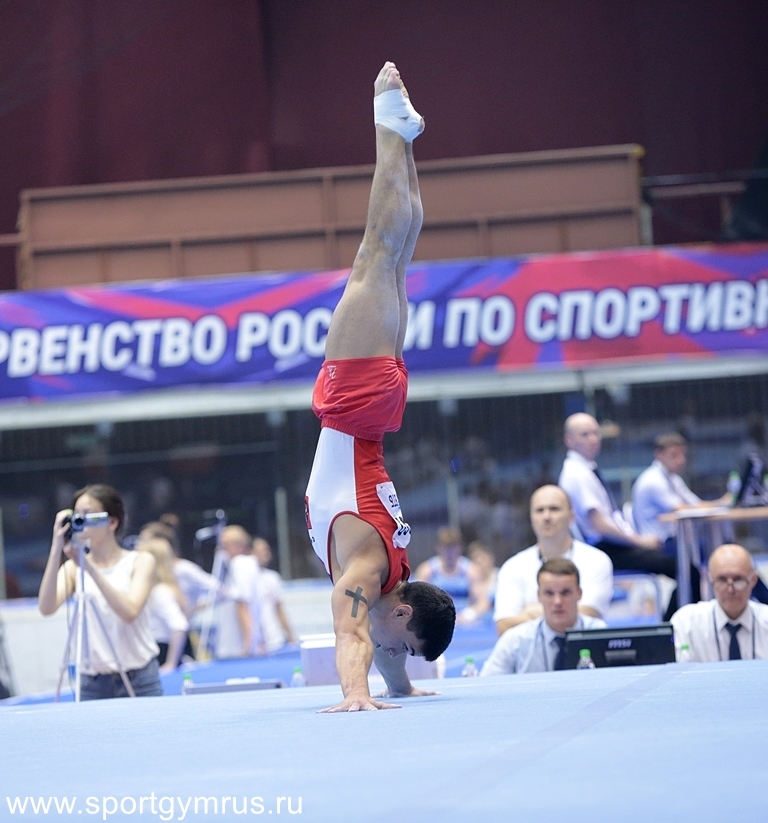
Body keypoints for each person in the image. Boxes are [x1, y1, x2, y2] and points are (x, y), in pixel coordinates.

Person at [304, 61, 456, 712]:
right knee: (375, 253)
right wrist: (354, 693)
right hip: (353, 405)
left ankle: (403, 136)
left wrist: (402, 686)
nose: (400, 653)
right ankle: (386, 121)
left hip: (378, 413)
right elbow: (352, 632)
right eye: (410, 648)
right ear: (402, 613)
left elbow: (387, 641)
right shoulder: (369, 571)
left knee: (399, 255)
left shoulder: (398, 572)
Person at [558, 412, 700, 619]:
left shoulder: (586, 469)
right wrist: (639, 542)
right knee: (687, 570)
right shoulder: (576, 474)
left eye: (595, 433)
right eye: (585, 435)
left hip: (613, 544)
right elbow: (599, 525)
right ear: (569, 440)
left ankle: (672, 625)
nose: (593, 439)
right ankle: (672, 629)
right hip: (604, 549)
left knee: (687, 567)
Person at [38, 484, 163, 699]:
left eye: (88, 514)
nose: (81, 521)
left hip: (139, 676)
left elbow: (130, 612)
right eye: (77, 515)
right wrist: (57, 546)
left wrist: (90, 569)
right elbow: (46, 608)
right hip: (93, 681)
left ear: (112, 522)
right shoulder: (73, 568)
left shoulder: (140, 561)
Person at [493, 485, 613, 635]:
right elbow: (504, 627)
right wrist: (565, 613)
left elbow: (589, 616)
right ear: (531, 518)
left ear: (571, 516)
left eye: (554, 509)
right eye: (540, 510)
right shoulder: (512, 567)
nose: (546, 517)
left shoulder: (596, 561)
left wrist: (530, 613)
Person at [480, 558, 606, 675]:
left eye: (565, 593)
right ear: (539, 596)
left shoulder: (601, 634)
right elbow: (486, 684)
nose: (557, 601)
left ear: (579, 593)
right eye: (549, 593)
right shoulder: (515, 641)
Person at [631, 432, 730, 552]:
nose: (681, 460)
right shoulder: (652, 480)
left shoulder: (674, 478)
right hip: (658, 544)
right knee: (712, 549)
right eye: (674, 455)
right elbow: (682, 509)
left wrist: (723, 502)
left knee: (718, 545)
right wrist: (720, 505)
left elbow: (696, 504)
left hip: (674, 540)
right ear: (659, 455)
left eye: (683, 454)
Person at [671, 544, 768, 661]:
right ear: (710, 579)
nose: (730, 590)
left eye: (738, 579)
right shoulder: (686, 624)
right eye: (722, 580)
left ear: (753, 580)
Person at [136, 536, 190, 673]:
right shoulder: (159, 590)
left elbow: (179, 626)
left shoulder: (160, 592)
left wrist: (171, 663)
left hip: (161, 654)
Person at [214, 525, 265, 658]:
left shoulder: (240, 564)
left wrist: (248, 645)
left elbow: (243, 605)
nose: (220, 550)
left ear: (240, 546)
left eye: (225, 545)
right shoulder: (248, 564)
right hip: (240, 644)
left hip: (237, 647)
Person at [252, 536, 297, 651]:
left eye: (267, 550)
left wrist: (290, 635)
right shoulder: (246, 579)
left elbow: (279, 609)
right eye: (261, 550)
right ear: (252, 553)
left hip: (275, 640)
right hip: (256, 644)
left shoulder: (273, 578)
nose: (266, 553)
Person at [414, 527, 472, 601]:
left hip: (465, 608)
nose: (450, 553)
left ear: (460, 548)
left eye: (453, 548)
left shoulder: (471, 570)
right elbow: (417, 599)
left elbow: (481, 601)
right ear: (438, 548)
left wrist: (470, 609)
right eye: (446, 548)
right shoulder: (426, 571)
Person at [456, 541, 498, 625]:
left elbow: (486, 603)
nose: (479, 561)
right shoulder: (471, 580)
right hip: (477, 625)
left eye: (482, 558)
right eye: (475, 559)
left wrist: (468, 615)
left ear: (491, 558)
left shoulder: (500, 577)